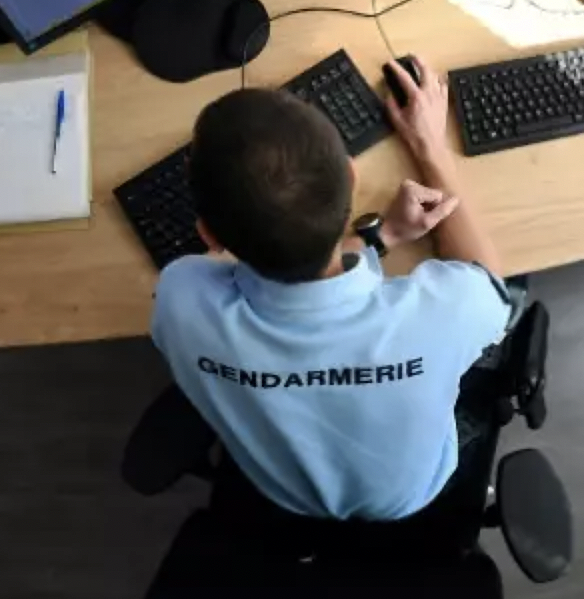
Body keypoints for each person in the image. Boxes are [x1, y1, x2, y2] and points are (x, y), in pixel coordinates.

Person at [150, 57, 517, 521]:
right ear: (351, 175)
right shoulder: (444, 314)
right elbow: (488, 281)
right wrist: (431, 148)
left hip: (285, 493)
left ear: (208, 236)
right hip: (413, 494)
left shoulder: (181, 300)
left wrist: (382, 237)